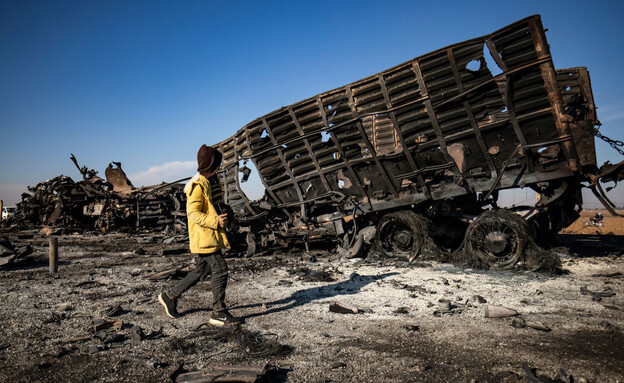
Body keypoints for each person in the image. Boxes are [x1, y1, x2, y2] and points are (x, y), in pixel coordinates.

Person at [158, 145, 241, 326]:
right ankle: (218, 312)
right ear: (212, 164)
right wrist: (215, 222)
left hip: (211, 234)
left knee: (202, 270)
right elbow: (193, 213)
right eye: (218, 163)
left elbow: (214, 204)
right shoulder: (198, 184)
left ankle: (169, 296)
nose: (220, 166)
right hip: (204, 235)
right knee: (220, 267)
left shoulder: (212, 180)